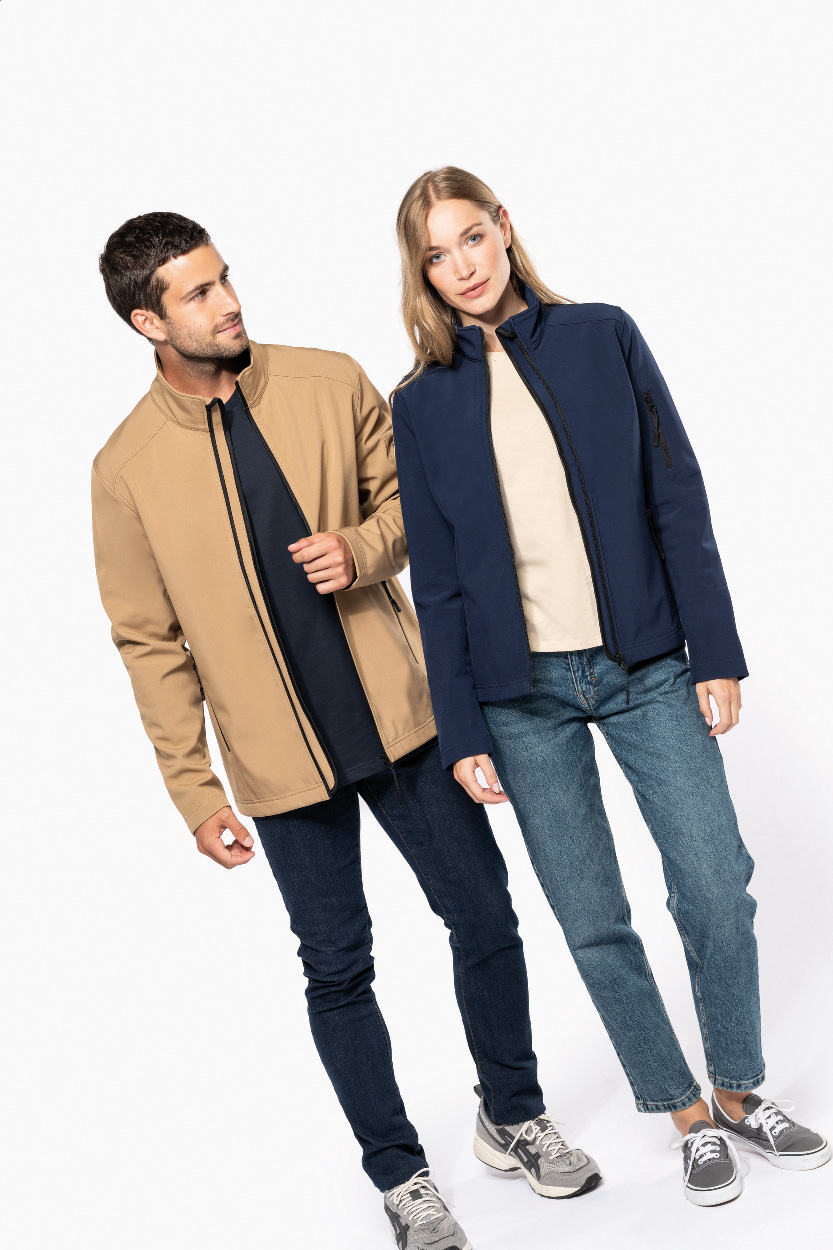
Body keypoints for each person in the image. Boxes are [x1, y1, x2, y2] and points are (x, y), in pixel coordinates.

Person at [91, 212, 601, 1249]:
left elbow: (419, 504)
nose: (228, 302)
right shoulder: (125, 469)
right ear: (148, 321)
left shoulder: (326, 381)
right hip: (279, 762)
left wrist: (362, 548)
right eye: (198, 293)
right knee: (336, 969)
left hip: (402, 721)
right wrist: (194, 790)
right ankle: (401, 1176)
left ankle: (511, 1112)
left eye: (224, 278)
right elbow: (147, 641)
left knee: (485, 917)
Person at [389, 167, 829, 1208]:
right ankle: (683, 1115)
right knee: (591, 916)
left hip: (642, 663)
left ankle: (736, 1088)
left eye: (470, 237)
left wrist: (713, 649)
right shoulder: (420, 400)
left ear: (504, 228)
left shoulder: (601, 335)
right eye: (435, 255)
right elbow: (437, 579)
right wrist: (462, 727)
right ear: (421, 274)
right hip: (520, 695)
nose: (461, 266)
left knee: (713, 882)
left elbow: (674, 490)